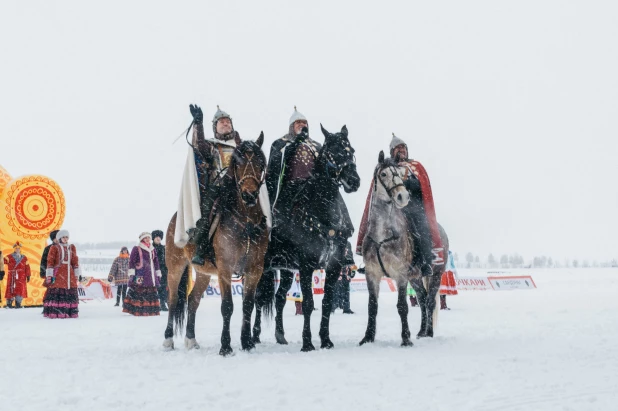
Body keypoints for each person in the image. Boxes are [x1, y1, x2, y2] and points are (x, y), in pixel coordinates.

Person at [357, 134, 445, 277]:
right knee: (373, 225)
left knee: (422, 226)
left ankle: (426, 261)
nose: (401, 150)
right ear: (392, 152)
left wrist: (407, 184)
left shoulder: (415, 167)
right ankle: (370, 260)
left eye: (403, 148)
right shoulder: (387, 168)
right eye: (398, 148)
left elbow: (420, 186)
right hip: (390, 209)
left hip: (413, 207)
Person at [188, 105, 241, 265]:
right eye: (221, 122)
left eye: (228, 122)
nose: (226, 124)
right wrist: (199, 123)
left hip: (240, 187)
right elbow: (200, 146)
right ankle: (201, 248)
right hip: (218, 187)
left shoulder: (241, 145)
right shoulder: (212, 145)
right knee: (208, 214)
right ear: (215, 127)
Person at [43, 229, 81, 318]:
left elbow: (75, 262)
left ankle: (68, 312)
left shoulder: (71, 248)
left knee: (69, 290)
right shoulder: (54, 247)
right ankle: (57, 312)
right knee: (58, 289)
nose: (65, 239)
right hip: (59, 274)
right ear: (59, 238)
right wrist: (49, 275)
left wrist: (76, 275)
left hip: (69, 274)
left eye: (66, 237)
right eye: (63, 237)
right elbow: (50, 261)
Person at [123, 232, 162, 316]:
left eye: (149, 238)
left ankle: (150, 310)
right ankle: (138, 310)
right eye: (146, 238)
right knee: (139, 292)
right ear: (142, 239)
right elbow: (131, 262)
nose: (148, 239)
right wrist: (132, 274)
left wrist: (158, 273)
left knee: (150, 293)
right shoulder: (137, 249)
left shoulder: (152, 249)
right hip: (140, 274)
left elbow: (156, 262)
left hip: (151, 275)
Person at [2, 241, 31, 308]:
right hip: (12, 275)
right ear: (14, 249)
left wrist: (28, 275)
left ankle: (18, 303)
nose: (17, 249)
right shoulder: (9, 256)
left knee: (20, 289)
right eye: (16, 248)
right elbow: (2, 261)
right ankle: (9, 303)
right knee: (10, 288)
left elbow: (27, 267)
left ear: (20, 249)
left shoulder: (24, 257)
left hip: (21, 276)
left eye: (18, 248)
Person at [151, 230, 168, 311]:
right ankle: (154, 304)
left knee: (163, 288)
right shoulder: (150, 248)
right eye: (156, 237)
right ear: (153, 238)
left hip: (163, 270)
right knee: (153, 288)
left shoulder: (164, 248)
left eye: (159, 237)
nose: (158, 238)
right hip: (153, 270)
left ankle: (162, 303)